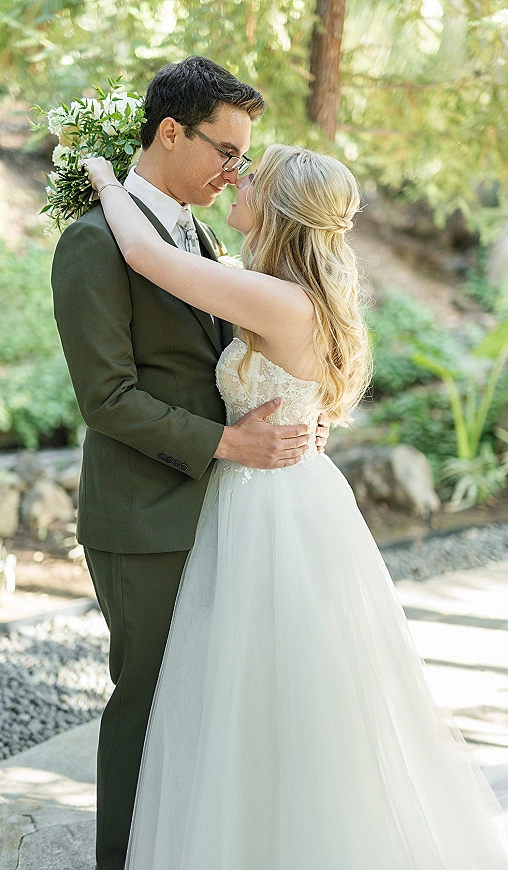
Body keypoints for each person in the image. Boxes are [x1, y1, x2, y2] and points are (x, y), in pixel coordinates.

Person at [84, 144, 508, 869]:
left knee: (255, 683)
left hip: (266, 505)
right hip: (289, 490)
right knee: (273, 682)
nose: (236, 180)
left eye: (252, 176)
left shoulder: (276, 298)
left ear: (277, 207)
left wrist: (98, 173)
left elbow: (144, 256)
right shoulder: (278, 287)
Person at [51, 57, 329, 870]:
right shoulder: (94, 241)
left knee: (203, 705)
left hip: (219, 509)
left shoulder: (197, 234)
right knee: (146, 704)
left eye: (244, 158)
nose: (235, 170)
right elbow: (107, 397)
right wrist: (231, 444)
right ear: (170, 132)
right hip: (144, 515)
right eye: (226, 150)